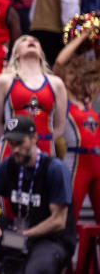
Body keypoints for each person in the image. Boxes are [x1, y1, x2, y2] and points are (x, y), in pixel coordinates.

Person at [0, 115, 76, 274]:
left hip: (52, 238)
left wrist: (24, 235)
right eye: (11, 144)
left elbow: (58, 220)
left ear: (34, 138)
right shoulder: (10, 164)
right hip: (21, 234)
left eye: (20, 143)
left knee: (35, 269)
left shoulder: (54, 169)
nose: (15, 149)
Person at [0, 35, 67, 160]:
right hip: (12, 150)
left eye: (36, 40)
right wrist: (15, 140)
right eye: (24, 40)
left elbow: (60, 127)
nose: (31, 41)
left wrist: (42, 140)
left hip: (45, 150)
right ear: (16, 53)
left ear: (41, 53)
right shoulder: (4, 81)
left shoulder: (56, 83)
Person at [54, 30, 100, 223]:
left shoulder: (89, 98)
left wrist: (96, 42)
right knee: (68, 220)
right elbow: (59, 63)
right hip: (75, 163)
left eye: (76, 73)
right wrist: (83, 36)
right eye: (70, 73)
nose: (72, 77)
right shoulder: (63, 98)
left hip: (97, 162)